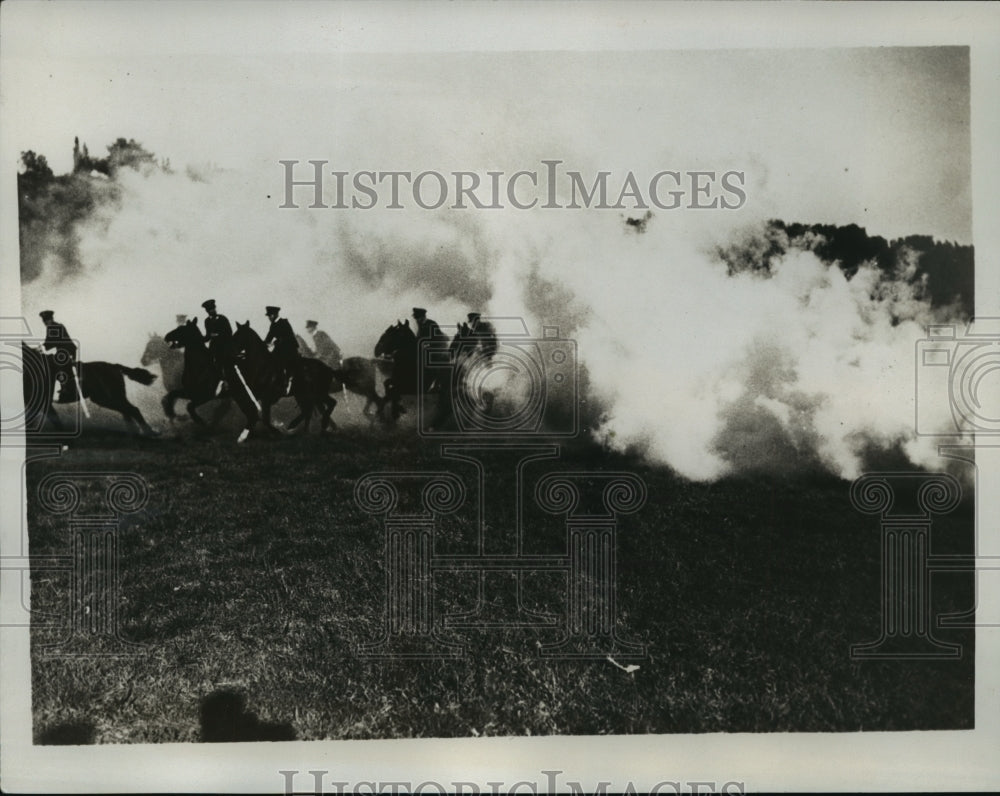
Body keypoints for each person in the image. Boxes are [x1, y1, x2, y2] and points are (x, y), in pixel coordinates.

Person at [39, 310, 78, 401]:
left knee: (58, 363)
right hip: (60, 351)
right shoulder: (49, 328)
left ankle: (66, 388)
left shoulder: (58, 326)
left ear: (51, 319)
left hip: (68, 350)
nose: (45, 323)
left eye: (47, 321)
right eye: (44, 322)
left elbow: (54, 341)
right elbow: (48, 341)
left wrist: (44, 346)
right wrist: (40, 348)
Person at [264, 306, 300, 395]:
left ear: (276, 314)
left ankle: (288, 381)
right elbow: (269, 337)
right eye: (268, 316)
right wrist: (263, 344)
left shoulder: (284, 322)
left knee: (281, 362)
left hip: (289, 349)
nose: (269, 317)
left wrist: (277, 341)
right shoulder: (272, 325)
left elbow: (289, 336)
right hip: (279, 349)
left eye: (270, 315)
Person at [201, 299, 234, 395]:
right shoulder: (207, 321)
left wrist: (217, 335)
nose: (213, 311)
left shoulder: (223, 318)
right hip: (213, 347)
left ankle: (225, 382)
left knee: (223, 361)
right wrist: (200, 339)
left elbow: (229, 332)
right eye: (210, 309)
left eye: (213, 308)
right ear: (207, 311)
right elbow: (207, 336)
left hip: (224, 346)